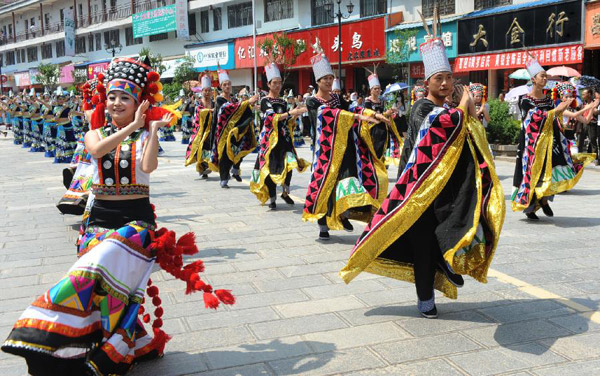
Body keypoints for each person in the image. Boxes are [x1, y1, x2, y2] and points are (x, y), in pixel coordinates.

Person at [2, 57, 235, 376]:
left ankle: (74, 340)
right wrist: (131, 126)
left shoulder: (142, 136)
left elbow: (150, 166)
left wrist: (151, 130)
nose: (116, 102)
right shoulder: (94, 134)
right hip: (98, 219)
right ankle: (108, 342)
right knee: (106, 287)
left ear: (138, 102)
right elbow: (97, 152)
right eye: (111, 96)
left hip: (136, 224)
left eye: (125, 97)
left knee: (103, 267)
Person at [341, 20, 505, 319]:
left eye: (448, 78)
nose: (444, 84)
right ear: (427, 83)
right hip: (416, 191)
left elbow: (468, 133)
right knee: (421, 246)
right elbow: (439, 127)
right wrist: (464, 106)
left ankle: (445, 265)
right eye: (438, 78)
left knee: (452, 229)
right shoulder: (422, 109)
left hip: (443, 190)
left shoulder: (447, 109)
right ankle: (425, 298)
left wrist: (467, 112)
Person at [303, 38, 387, 241]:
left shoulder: (337, 98)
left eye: (331, 78)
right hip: (325, 151)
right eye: (325, 79)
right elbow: (325, 116)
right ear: (318, 81)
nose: (329, 82)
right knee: (325, 184)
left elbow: (352, 108)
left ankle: (344, 212)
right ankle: (323, 225)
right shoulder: (313, 101)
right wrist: (356, 117)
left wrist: (373, 115)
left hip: (345, 146)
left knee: (350, 178)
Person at [512, 57, 597, 220]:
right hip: (532, 145)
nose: (545, 79)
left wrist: (562, 109)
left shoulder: (549, 101)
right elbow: (533, 119)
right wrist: (556, 110)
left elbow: (556, 118)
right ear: (533, 79)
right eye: (542, 76)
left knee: (550, 169)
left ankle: (544, 200)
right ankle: (530, 208)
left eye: (546, 76)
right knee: (532, 172)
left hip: (550, 142)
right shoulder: (525, 101)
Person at [250, 62, 309, 210]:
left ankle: (285, 191)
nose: (277, 85)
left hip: (284, 139)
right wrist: (291, 113)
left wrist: (294, 115)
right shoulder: (265, 101)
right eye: (274, 83)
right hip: (270, 141)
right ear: (269, 85)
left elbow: (285, 120)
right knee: (270, 168)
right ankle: (272, 198)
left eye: (279, 83)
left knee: (290, 164)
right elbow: (271, 118)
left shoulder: (282, 101)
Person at [208, 66, 259, 188]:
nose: (227, 86)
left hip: (235, 132)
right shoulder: (219, 100)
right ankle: (224, 179)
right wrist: (247, 102)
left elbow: (239, 111)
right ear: (221, 86)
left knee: (240, 148)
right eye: (225, 84)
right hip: (222, 133)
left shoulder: (234, 99)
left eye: (229, 84)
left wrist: (250, 107)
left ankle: (235, 170)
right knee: (225, 155)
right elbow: (227, 109)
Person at [185, 73, 214, 178]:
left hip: (211, 129)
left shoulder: (214, 103)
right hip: (200, 129)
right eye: (205, 91)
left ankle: (206, 166)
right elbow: (198, 111)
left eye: (208, 91)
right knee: (200, 148)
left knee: (209, 148)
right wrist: (210, 110)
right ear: (202, 92)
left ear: (211, 92)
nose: (207, 93)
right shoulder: (199, 103)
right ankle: (203, 167)